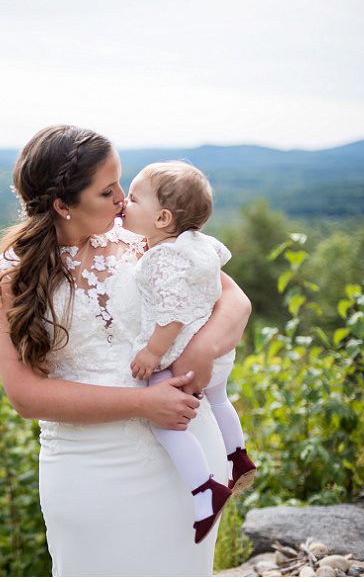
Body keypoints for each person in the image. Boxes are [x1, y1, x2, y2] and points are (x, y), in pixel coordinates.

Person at [0, 125, 251, 576]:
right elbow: (25, 396)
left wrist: (200, 352)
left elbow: (234, 301)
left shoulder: (147, 242)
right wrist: (145, 402)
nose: (123, 199)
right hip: (90, 473)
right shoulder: (9, 276)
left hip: (185, 461)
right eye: (108, 191)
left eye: (122, 184)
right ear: (62, 205)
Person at [122, 161, 257, 545]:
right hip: (214, 357)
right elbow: (215, 267)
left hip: (177, 355)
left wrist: (152, 353)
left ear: (162, 218)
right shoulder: (198, 243)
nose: (124, 204)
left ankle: (205, 490)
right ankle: (238, 456)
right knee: (219, 399)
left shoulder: (162, 258)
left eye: (132, 199)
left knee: (165, 424)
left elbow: (172, 312)